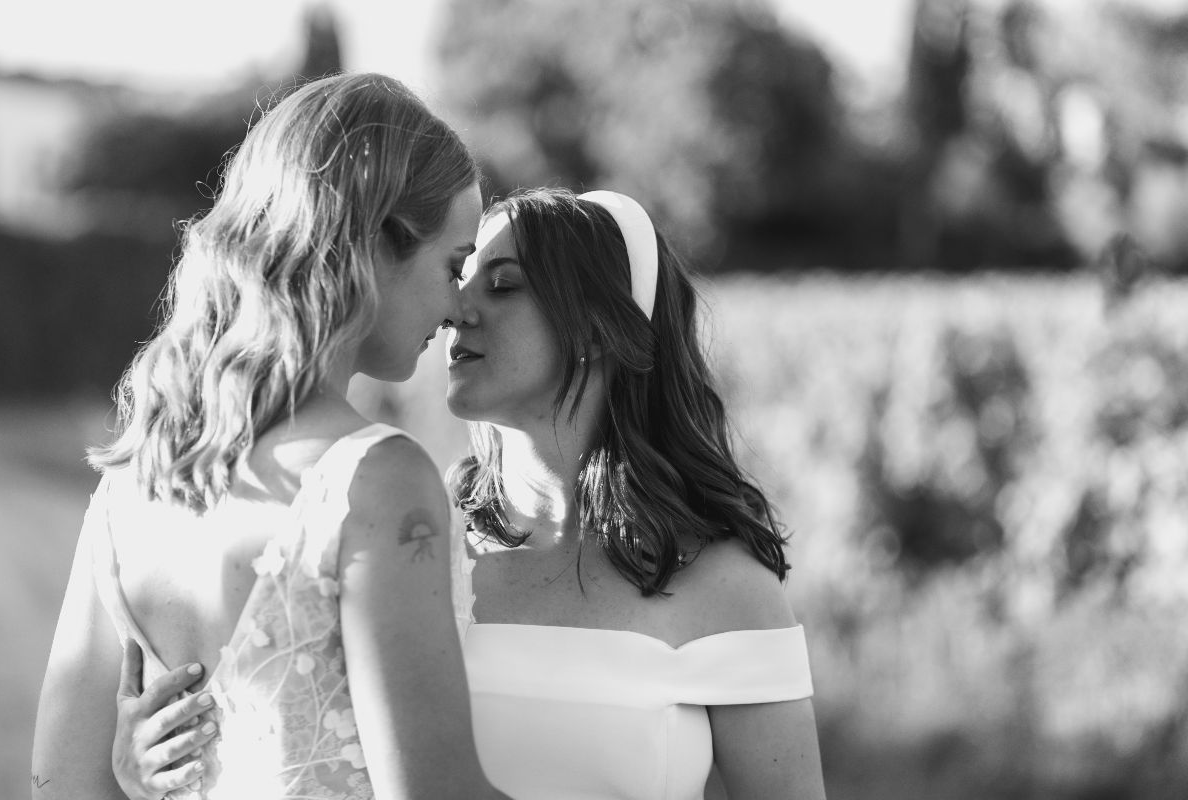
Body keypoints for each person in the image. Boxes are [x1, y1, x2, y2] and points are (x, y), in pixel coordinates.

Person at [110, 188, 826, 799]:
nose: (457, 309)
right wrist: (152, 767)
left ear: (597, 327)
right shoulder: (405, 544)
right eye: (460, 276)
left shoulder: (727, 589)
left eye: (503, 286)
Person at [31, 72, 508, 800]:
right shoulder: (375, 481)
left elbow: (56, 784)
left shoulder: (132, 484)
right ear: (380, 243)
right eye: (453, 265)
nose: (455, 308)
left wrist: (132, 781)